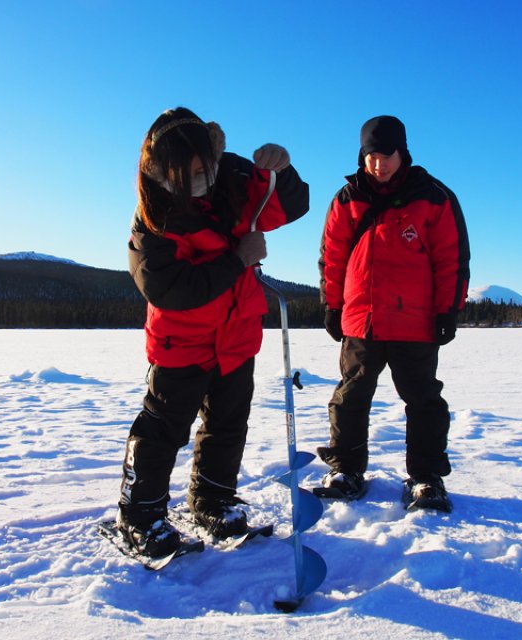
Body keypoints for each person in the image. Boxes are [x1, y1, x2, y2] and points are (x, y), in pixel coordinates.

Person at [116, 107, 309, 557]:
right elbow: (169, 288)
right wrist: (236, 260)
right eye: (187, 171)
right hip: (181, 343)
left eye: (204, 167)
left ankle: (213, 501)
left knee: (228, 425)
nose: (200, 177)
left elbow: (289, 204)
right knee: (162, 430)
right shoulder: (151, 219)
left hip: (237, 337)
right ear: (162, 170)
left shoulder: (234, 177)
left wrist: (283, 169)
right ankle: (139, 516)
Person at [317, 115, 470, 511]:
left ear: (403, 153)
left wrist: (447, 310)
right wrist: (333, 304)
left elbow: (452, 258)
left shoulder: (434, 197)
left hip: (415, 321)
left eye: (387, 155)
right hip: (361, 319)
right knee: (351, 396)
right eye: (371, 156)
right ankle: (347, 470)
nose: (379, 164)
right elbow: (332, 258)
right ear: (362, 156)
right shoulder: (347, 198)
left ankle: (425, 477)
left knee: (423, 400)